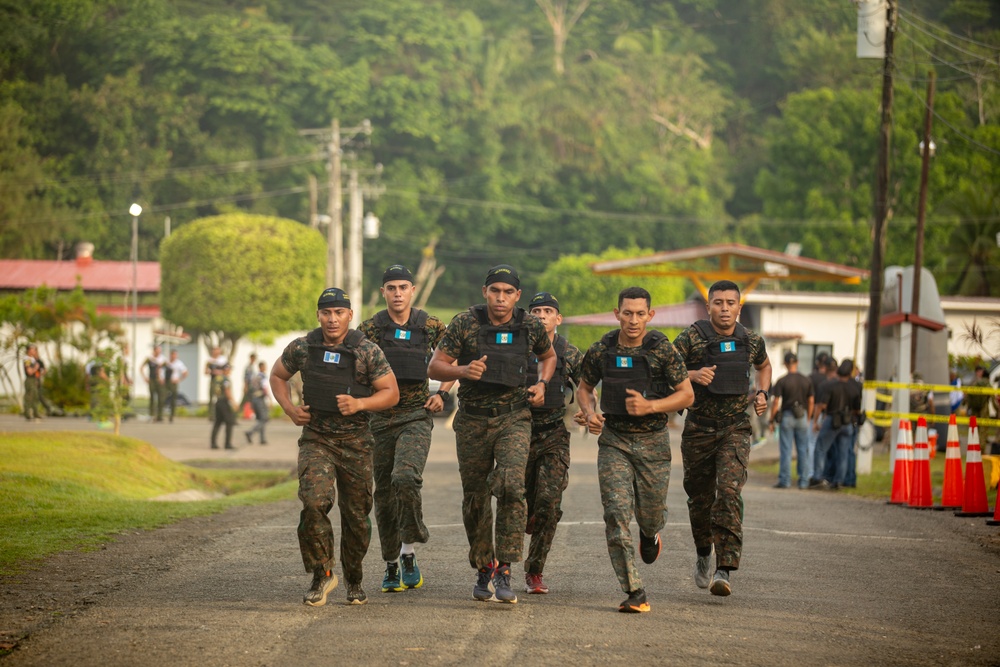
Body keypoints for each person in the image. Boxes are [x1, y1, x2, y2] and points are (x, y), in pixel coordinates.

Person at [427, 264, 555, 605]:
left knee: (513, 485)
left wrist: (542, 383)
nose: (501, 298)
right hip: (472, 420)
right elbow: (435, 366)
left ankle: (506, 568)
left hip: (514, 417)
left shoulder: (529, 325)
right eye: (495, 291)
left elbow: (549, 355)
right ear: (485, 292)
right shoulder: (464, 323)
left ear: (518, 295)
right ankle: (484, 565)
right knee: (476, 496)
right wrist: (462, 370)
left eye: (508, 292)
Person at [270, 287, 399, 607]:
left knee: (356, 516)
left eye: (338, 312)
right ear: (318, 315)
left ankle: (354, 577)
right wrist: (289, 409)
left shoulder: (366, 351)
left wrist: (360, 403)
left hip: (356, 443)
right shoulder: (303, 347)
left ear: (349, 315)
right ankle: (322, 572)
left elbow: (391, 393)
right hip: (317, 440)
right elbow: (277, 375)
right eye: (326, 312)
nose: (332, 319)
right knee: (314, 503)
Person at [576, 287, 694, 613]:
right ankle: (634, 590)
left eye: (640, 313)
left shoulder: (662, 350)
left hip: (654, 442)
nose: (633, 320)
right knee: (615, 513)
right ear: (617, 314)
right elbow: (584, 389)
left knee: (651, 514)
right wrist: (589, 413)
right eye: (627, 313)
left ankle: (650, 533)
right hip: (614, 440)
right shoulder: (602, 349)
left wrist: (651, 406)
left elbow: (686, 395)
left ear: (650, 315)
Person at [359, 264, 454, 594]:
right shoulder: (370, 329)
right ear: (383, 291)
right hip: (379, 421)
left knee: (405, 478)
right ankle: (392, 564)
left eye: (403, 287)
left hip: (415, 415)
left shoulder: (430, 325)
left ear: (412, 290)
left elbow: (453, 357)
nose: (397, 293)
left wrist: (442, 392)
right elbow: (354, 367)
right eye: (391, 287)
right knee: (384, 495)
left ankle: (411, 543)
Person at [674, 279, 771, 598]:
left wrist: (762, 392)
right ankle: (704, 552)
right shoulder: (692, 336)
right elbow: (665, 367)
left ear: (739, 308)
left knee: (728, 492)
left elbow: (765, 366)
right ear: (709, 306)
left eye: (731, 303)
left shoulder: (751, 340)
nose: (724, 308)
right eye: (718, 302)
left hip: (735, 428)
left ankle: (724, 568)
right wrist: (692, 375)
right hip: (699, 428)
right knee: (700, 500)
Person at [521, 291, 583, 595]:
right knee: (515, 498)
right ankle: (528, 513)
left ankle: (535, 570)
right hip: (517, 432)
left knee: (550, 502)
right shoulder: (516, 348)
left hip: (554, 434)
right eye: (536, 310)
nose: (541, 315)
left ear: (558, 318)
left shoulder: (568, 352)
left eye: (548, 311)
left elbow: (586, 384)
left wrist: (588, 410)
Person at [809, 360, 862, 490]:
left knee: (821, 448)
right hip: (847, 422)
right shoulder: (855, 388)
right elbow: (857, 410)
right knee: (843, 453)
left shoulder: (831, 386)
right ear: (850, 372)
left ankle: (817, 477)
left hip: (832, 420)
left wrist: (815, 421)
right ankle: (839, 481)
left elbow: (822, 405)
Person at [768, 352, 814, 489]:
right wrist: (809, 417)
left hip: (787, 416)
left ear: (785, 364)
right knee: (802, 449)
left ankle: (785, 480)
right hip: (802, 416)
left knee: (786, 450)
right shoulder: (806, 380)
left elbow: (776, 402)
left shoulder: (782, 381)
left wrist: (771, 420)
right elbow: (811, 401)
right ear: (797, 362)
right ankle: (804, 481)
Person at [210, 364, 237, 450]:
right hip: (224, 402)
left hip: (218, 401)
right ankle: (227, 444)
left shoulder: (217, 378)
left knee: (217, 423)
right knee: (229, 422)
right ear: (226, 369)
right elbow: (227, 391)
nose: (230, 371)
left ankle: (213, 443)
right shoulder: (225, 379)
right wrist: (233, 402)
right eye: (229, 369)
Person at [244, 361, 270, 444]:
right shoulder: (262, 376)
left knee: (260, 419)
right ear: (261, 367)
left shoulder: (255, 376)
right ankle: (250, 432)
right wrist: (269, 399)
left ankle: (262, 439)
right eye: (264, 366)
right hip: (260, 399)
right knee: (264, 419)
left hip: (254, 399)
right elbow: (264, 388)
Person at [142, 345, 168, 422]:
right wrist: (145, 377)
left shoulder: (163, 359)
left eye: (160, 350)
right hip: (152, 380)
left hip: (160, 381)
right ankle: (151, 415)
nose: (159, 351)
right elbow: (141, 368)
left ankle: (159, 416)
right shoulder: (149, 359)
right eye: (158, 350)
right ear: (154, 350)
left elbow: (167, 369)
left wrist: (163, 378)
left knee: (161, 398)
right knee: (152, 398)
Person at [165, 349, 189, 423]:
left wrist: (179, 379)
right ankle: (159, 415)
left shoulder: (179, 363)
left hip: (173, 382)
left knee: (173, 398)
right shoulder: (166, 362)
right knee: (163, 397)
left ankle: (171, 416)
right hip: (166, 382)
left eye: (175, 355)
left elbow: (185, 373)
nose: (174, 356)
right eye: (173, 355)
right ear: (170, 355)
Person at [205, 346, 228, 421]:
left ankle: (222, 415)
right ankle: (211, 415)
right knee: (211, 398)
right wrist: (210, 371)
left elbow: (227, 370)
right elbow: (205, 372)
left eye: (217, 350)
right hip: (213, 380)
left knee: (221, 398)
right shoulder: (209, 360)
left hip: (220, 381)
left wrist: (219, 372)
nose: (215, 351)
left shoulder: (223, 360)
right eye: (214, 350)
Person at [22, 344, 44, 422]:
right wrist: (36, 368)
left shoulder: (33, 359)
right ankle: (27, 414)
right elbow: (29, 372)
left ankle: (35, 413)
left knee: (35, 396)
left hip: (35, 379)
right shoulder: (27, 359)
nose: (34, 351)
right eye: (32, 350)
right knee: (29, 397)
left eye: (35, 350)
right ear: (28, 350)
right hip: (30, 379)